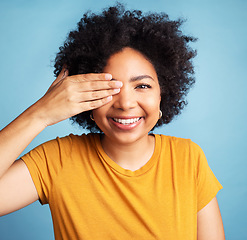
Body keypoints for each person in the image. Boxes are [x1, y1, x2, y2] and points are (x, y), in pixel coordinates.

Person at [0, 3, 225, 240]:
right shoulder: (58, 160)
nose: (125, 103)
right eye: (109, 88)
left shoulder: (188, 158)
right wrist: (40, 113)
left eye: (142, 86)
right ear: (86, 99)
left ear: (163, 94)